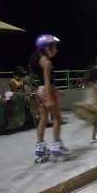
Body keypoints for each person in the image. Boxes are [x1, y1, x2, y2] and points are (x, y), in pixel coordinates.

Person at [29, 34, 71, 162]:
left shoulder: (38, 61)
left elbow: (41, 82)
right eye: (54, 47)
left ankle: (40, 148)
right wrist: (51, 98)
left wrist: (56, 91)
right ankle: (57, 146)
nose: (56, 49)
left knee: (43, 119)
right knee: (58, 119)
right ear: (47, 48)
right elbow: (47, 82)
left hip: (40, 92)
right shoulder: (47, 63)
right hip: (46, 92)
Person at [73, 66, 97, 143]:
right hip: (92, 107)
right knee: (94, 123)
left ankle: (92, 137)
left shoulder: (88, 83)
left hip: (86, 105)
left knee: (92, 122)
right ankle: (92, 138)